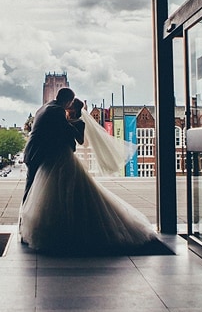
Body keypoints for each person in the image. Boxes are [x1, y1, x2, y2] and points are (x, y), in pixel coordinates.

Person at [19, 97, 159, 255]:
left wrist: (70, 127)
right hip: (57, 156)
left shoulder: (78, 122)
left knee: (65, 191)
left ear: (73, 109)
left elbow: (79, 140)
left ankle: (62, 230)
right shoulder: (60, 116)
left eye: (71, 106)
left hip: (64, 157)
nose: (69, 108)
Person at [21, 87, 81, 203]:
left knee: (33, 185)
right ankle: (27, 213)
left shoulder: (46, 106)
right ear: (68, 101)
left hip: (33, 151)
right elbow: (67, 129)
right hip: (38, 153)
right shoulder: (57, 110)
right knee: (33, 186)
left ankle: (27, 212)